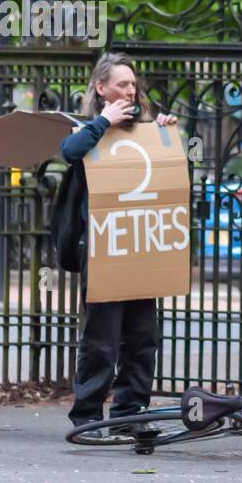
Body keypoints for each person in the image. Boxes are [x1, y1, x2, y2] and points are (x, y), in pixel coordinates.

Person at [62, 52, 179, 431]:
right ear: (101, 87)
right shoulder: (88, 129)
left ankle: (130, 414)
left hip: (139, 246)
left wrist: (164, 131)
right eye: (122, 84)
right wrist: (102, 122)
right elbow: (69, 152)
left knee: (142, 339)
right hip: (104, 249)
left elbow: (172, 175)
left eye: (133, 84)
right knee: (102, 340)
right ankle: (87, 416)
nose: (131, 90)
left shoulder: (144, 128)